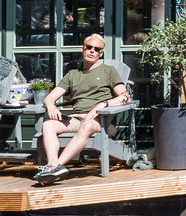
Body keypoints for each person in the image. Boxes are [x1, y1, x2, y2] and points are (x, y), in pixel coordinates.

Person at [35, 35, 129, 182]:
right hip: (76, 119)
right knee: (48, 125)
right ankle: (52, 164)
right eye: (89, 47)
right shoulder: (73, 74)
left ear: (100, 54)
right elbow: (49, 97)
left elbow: (125, 97)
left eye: (97, 49)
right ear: (82, 49)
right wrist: (51, 105)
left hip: (102, 121)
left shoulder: (109, 71)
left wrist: (103, 104)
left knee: (87, 125)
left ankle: (56, 167)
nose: (92, 51)